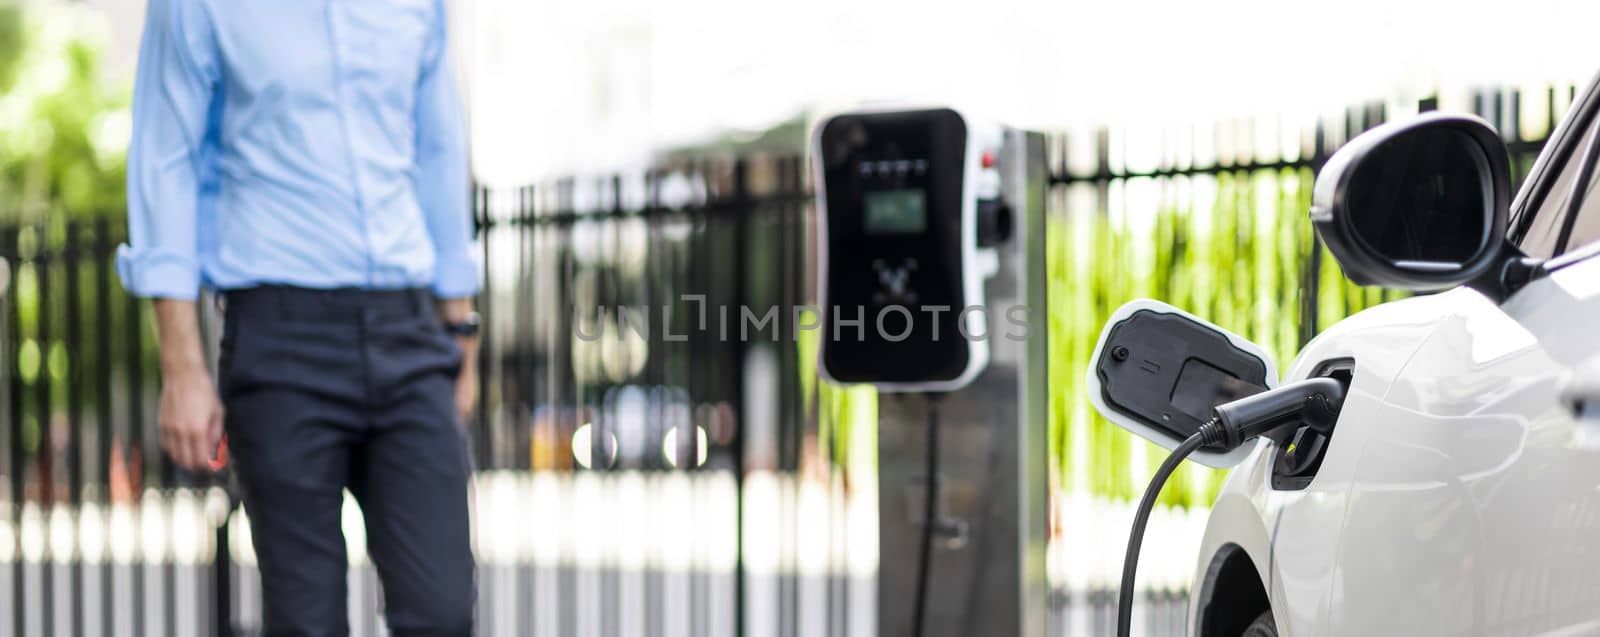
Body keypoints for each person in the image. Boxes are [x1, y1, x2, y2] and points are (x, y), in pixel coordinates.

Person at [119, 0, 480, 634]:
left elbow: (440, 149)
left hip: (409, 328)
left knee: (443, 612)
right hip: (280, 336)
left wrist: (462, 329)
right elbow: (164, 161)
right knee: (306, 621)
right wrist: (182, 367)